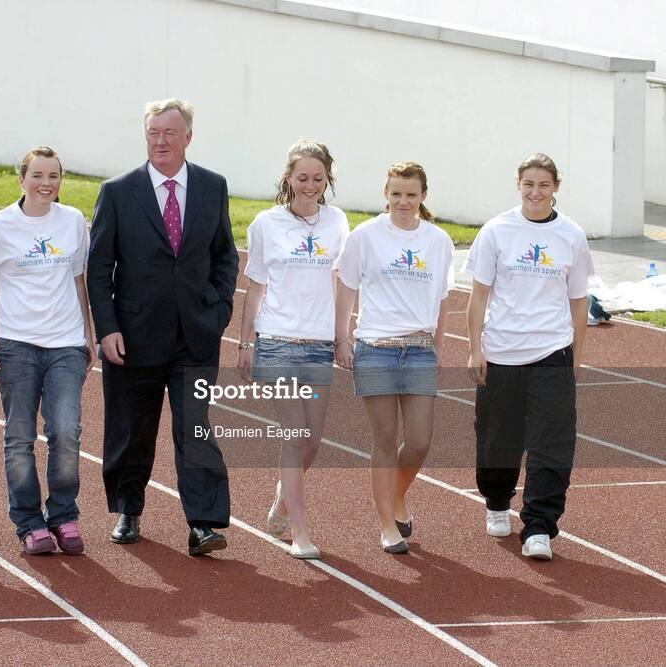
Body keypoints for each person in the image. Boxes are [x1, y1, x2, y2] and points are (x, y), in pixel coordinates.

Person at [87, 98, 239, 556]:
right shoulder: (117, 192)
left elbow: (225, 256)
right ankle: (128, 510)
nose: (160, 141)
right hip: (132, 338)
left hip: (195, 335)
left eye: (169, 133)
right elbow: (99, 268)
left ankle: (204, 524)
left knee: (194, 428)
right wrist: (107, 327)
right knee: (131, 429)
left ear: (187, 137)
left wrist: (218, 310)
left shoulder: (213, 186)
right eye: (153, 133)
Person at [464, 152, 593, 561]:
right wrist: (474, 349)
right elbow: (478, 295)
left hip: (552, 350)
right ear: (518, 185)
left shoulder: (571, 235)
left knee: (552, 442)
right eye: (528, 184)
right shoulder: (497, 231)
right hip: (502, 352)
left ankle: (539, 525)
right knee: (497, 435)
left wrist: (575, 355)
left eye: (543, 185)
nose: (535, 192)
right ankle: (498, 501)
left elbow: (578, 300)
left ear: (556, 187)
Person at [0, 146, 95, 556]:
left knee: (65, 432)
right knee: (19, 435)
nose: (47, 184)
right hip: (16, 345)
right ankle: (28, 523)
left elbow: (80, 281)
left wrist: (89, 335)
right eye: (38, 176)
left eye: (54, 176)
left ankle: (64, 516)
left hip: (66, 344)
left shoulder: (74, 221)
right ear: (21, 180)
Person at [236, 140, 349, 560]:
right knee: (295, 433)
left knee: (313, 441)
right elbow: (256, 286)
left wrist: (341, 337)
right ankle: (299, 530)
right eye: (302, 177)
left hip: (319, 345)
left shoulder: (337, 222)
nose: (310, 186)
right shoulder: (266, 223)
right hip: (278, 341)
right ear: (288, 178)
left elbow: (342, 284)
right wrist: (245, 342)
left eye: (318, 179)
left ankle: (284, 497)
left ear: (327, 180)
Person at [334, 162, 454, 554]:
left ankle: (396, 495)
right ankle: (388, 524)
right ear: (386, 194)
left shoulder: (438, 241)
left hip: (419, 350)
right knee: (385, 441)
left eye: (411, 194)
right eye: (396, 193)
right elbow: (347, 288)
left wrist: (437, 346)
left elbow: (442, 299)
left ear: (423, 196)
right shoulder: (365, 236)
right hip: (375, 350)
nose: (403, 201)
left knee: (419, 442)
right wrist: (341, 338)